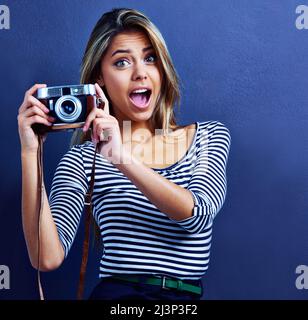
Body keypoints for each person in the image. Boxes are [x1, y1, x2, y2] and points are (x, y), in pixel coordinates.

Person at [17, 8, 231, 300]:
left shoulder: (208, 136)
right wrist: (30, 152)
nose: (140, 73)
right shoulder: (82, 160)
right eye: (121, 62)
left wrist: (121, 158)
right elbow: (47, 258)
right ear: (99, 79)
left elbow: (196, 215)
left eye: (150, 58)